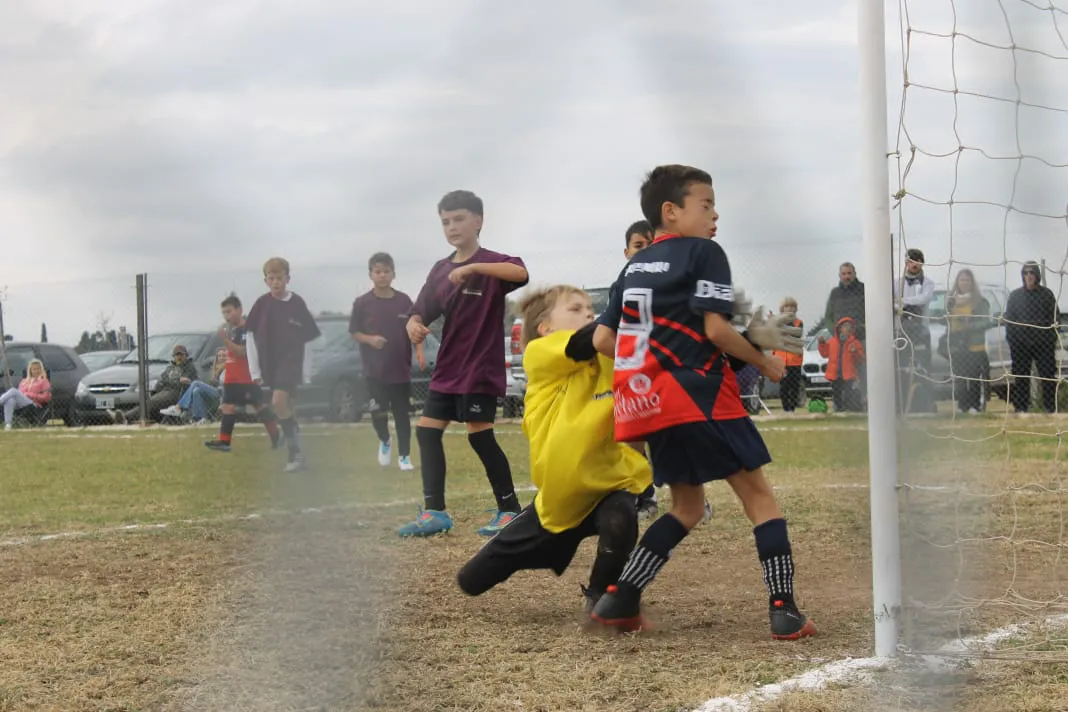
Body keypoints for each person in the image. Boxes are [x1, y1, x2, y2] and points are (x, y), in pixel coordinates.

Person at [588, 164, 814, 640]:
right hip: (702, 395)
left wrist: (665, 353)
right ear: (670, 212)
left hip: (652, 405)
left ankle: (620, 599)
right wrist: (765, 361)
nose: (715, 214)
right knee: (760, 499)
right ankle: (784, 609)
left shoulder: (632, 267)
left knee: (686, 507)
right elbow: (714, 329)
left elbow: (606, 339)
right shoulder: (705, 253)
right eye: (705, 204)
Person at [457, 285, 651, 612]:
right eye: (575, 309)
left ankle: (600, 601)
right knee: (471, 580)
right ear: (546, 327)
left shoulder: (609, 355)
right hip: (556, 506)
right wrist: (619, 314)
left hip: (608, 485)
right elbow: (583, 341)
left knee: (621, 520)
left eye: (590, 308)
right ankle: (543, 549)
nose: (588, 313)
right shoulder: (541, 351)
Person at [400, 190, 529, 538]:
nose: (452, 227)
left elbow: (520, 272)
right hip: (448, 369)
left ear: (479, 221)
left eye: (459, 219)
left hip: (480, 367)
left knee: (480, 437)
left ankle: (510, 510)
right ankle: (435, 513)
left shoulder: (493, 263)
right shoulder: (441, 269)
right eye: (445, 221)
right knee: (427, 431)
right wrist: (412, 323)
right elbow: (420, 309)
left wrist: (473, 267)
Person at [349, 252, 424, 472]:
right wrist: (370, 339)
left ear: (393, 274)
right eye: (377, 272)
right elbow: (354, 332)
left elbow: (415, 327)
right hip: (374, 371)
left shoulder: (404, 301)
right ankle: (384, 440)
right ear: (371, 274)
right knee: (377, 413)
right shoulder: (362, 303)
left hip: (400, 370)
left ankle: (404, 457)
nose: (382, 276)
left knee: (402, 414)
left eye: (386, 271)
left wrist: (418, 350)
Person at [245, 257, 321, 471]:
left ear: (287, 278)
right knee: (287, 408)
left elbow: (309, 339)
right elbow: (250, 336)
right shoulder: (261, 304)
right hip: (270, 363)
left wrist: (307, 369)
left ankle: (294, 453)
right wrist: (254, 370)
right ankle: (297, 452)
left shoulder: (297, 304)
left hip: (291, 363)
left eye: (279, 278)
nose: (276, 282)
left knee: (278, 403)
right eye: (271, 278)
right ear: (266, 281)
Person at [205, 293, 282, 452]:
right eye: (224, 313)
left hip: (245, 378)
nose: (227, 316)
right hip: (233, 378)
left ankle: (277, 435)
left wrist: (225, 341)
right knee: (228, 407)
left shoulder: (247, 329)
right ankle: (225, 442)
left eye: (229, 311)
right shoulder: (234, 331)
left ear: (239, 310)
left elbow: (242, 352)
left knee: (258, 406)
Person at [620, 220, 659, 519]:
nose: (645, 251)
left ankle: (694, 499)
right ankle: (645, 497)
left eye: (651, 244)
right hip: (635, 371)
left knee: (673, 438)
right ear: (626, 251)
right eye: (638, 245)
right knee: (634, 440)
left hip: (667, 370)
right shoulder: (621, 286)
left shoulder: (671, 282)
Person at [1005, 261, 1060, 414]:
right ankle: (1021, 409)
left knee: (1048, 376)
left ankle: (1050, 408)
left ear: (1037, 275)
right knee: (1021, 376)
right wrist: (1013, 341)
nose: (1029, 276)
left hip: (1043, 344)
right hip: (1021, 344)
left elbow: (1056, 318)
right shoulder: (1015, 296)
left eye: (1032, 272)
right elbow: (1009, 320)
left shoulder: (1046, 294)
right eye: (1025, 273)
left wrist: (1050, 339)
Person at [111, 345, 198, 424]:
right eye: (177, 355)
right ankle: (126, 417)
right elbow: (164, 378)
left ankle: (125, 417)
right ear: (174, 356)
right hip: (165, 390)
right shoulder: (170, 367)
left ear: (186, 355)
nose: (179, 357)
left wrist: (174, 380)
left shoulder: (189, 367)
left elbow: (185, 381)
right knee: (148, 401)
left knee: (151, 402)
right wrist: (176, 380)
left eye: (181, 355)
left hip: (178, 393)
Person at [944, 269, 992, 414]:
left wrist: (969, 326)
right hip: (957, 345)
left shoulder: (980, 301)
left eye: (967, 280)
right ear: (957, 282)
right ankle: (961, 405)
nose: (964, 283)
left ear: (972, 283)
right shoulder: (951, 301)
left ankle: (974, 405)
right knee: (960, 376)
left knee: (973, 376)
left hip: (974, 345)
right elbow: (944, 319)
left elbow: (986, 322)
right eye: (961, 280)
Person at [161, 349, 226, 424]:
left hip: (222, 394)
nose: (221, 357)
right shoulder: (216, 369)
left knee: (196, 383)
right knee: (196, 391)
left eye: (224, 355)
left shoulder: (229, 368)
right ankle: (201, 419)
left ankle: (178, 407)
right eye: (219, 356)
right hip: (215, 392)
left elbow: (225, 384)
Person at [818, 317, 866, 413]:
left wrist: (855, 352)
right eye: (845, 326)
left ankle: (849, 407)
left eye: (850, 327)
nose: (848, 328)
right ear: (839, 329)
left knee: (849, 392)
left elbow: (861, 359)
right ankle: (839, 409)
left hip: (848, 374)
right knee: (837, 393)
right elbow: (824, 354)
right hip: (835, 374)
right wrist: (822, 344)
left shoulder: (855, 343)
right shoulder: (832, 342)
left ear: (853, 330)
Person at [1, 359, 51, 430]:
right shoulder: (24, 381)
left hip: (33, 404)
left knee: (13, 390)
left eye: (38, 369)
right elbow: (20, 394)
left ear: (41, 370)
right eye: (34, 369)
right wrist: (24, 394)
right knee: (10, 400)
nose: (36, 371)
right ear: (30, 370)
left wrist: (31, 395)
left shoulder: (44, 381)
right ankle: (8, 425)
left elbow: (46, 397)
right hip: (21, 404)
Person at [774, 298, 804, 413]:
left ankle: (792, 408)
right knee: (784, 386)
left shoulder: (798, 323)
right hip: (781, 360)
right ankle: (786, 408)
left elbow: (795, 334)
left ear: (795, 309)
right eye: (787, 307)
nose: (790, 309)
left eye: (792, 307)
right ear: (782, 309)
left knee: (794, 385)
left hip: (794, 360)